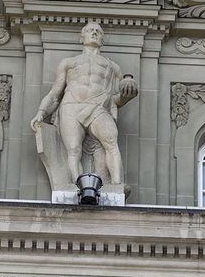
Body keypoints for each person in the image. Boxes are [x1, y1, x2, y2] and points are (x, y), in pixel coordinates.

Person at [31, 22, 137, 187]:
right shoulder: (68, 63)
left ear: (102, 39)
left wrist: (126, 95)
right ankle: (78, 186)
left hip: (98, 108)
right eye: (89, 30)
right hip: (71, 107)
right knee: (73, 150)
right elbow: (54, 94)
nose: (94, 33)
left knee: (111, 141)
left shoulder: (113, 67)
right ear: (81, 38)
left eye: (98, 31)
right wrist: (41, 112)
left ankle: (116, 185)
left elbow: (115, 100)